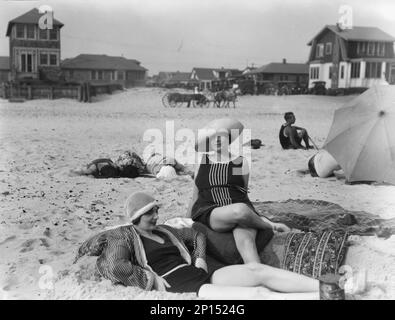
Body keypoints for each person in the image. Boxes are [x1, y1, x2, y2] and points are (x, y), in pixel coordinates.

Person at [75, 192, 321, 299]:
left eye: (157, 210)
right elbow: (115, 266)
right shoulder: (124, 236)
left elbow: (196, 236)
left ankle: (326, 289)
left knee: (259, 272)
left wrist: (200, 259)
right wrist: (151, 281)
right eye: (150, 213)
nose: (156, 216)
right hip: (181, 285)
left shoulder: (165, 231)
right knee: (258, 295)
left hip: (199, 273)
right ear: (136, 216)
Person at [187, 118, 291, 265]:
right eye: (212, 137)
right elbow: (195, 195)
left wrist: (252, 213)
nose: (217, 140)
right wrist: (185, 220)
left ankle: (259, 275)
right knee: (240, 211)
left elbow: (242, 194)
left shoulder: (241, 163)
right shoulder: (202, 162)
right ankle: (270, 225)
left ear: (228, 139)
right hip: (211, 210)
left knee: (248, 247)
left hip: (239, 207)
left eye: (221, 136)